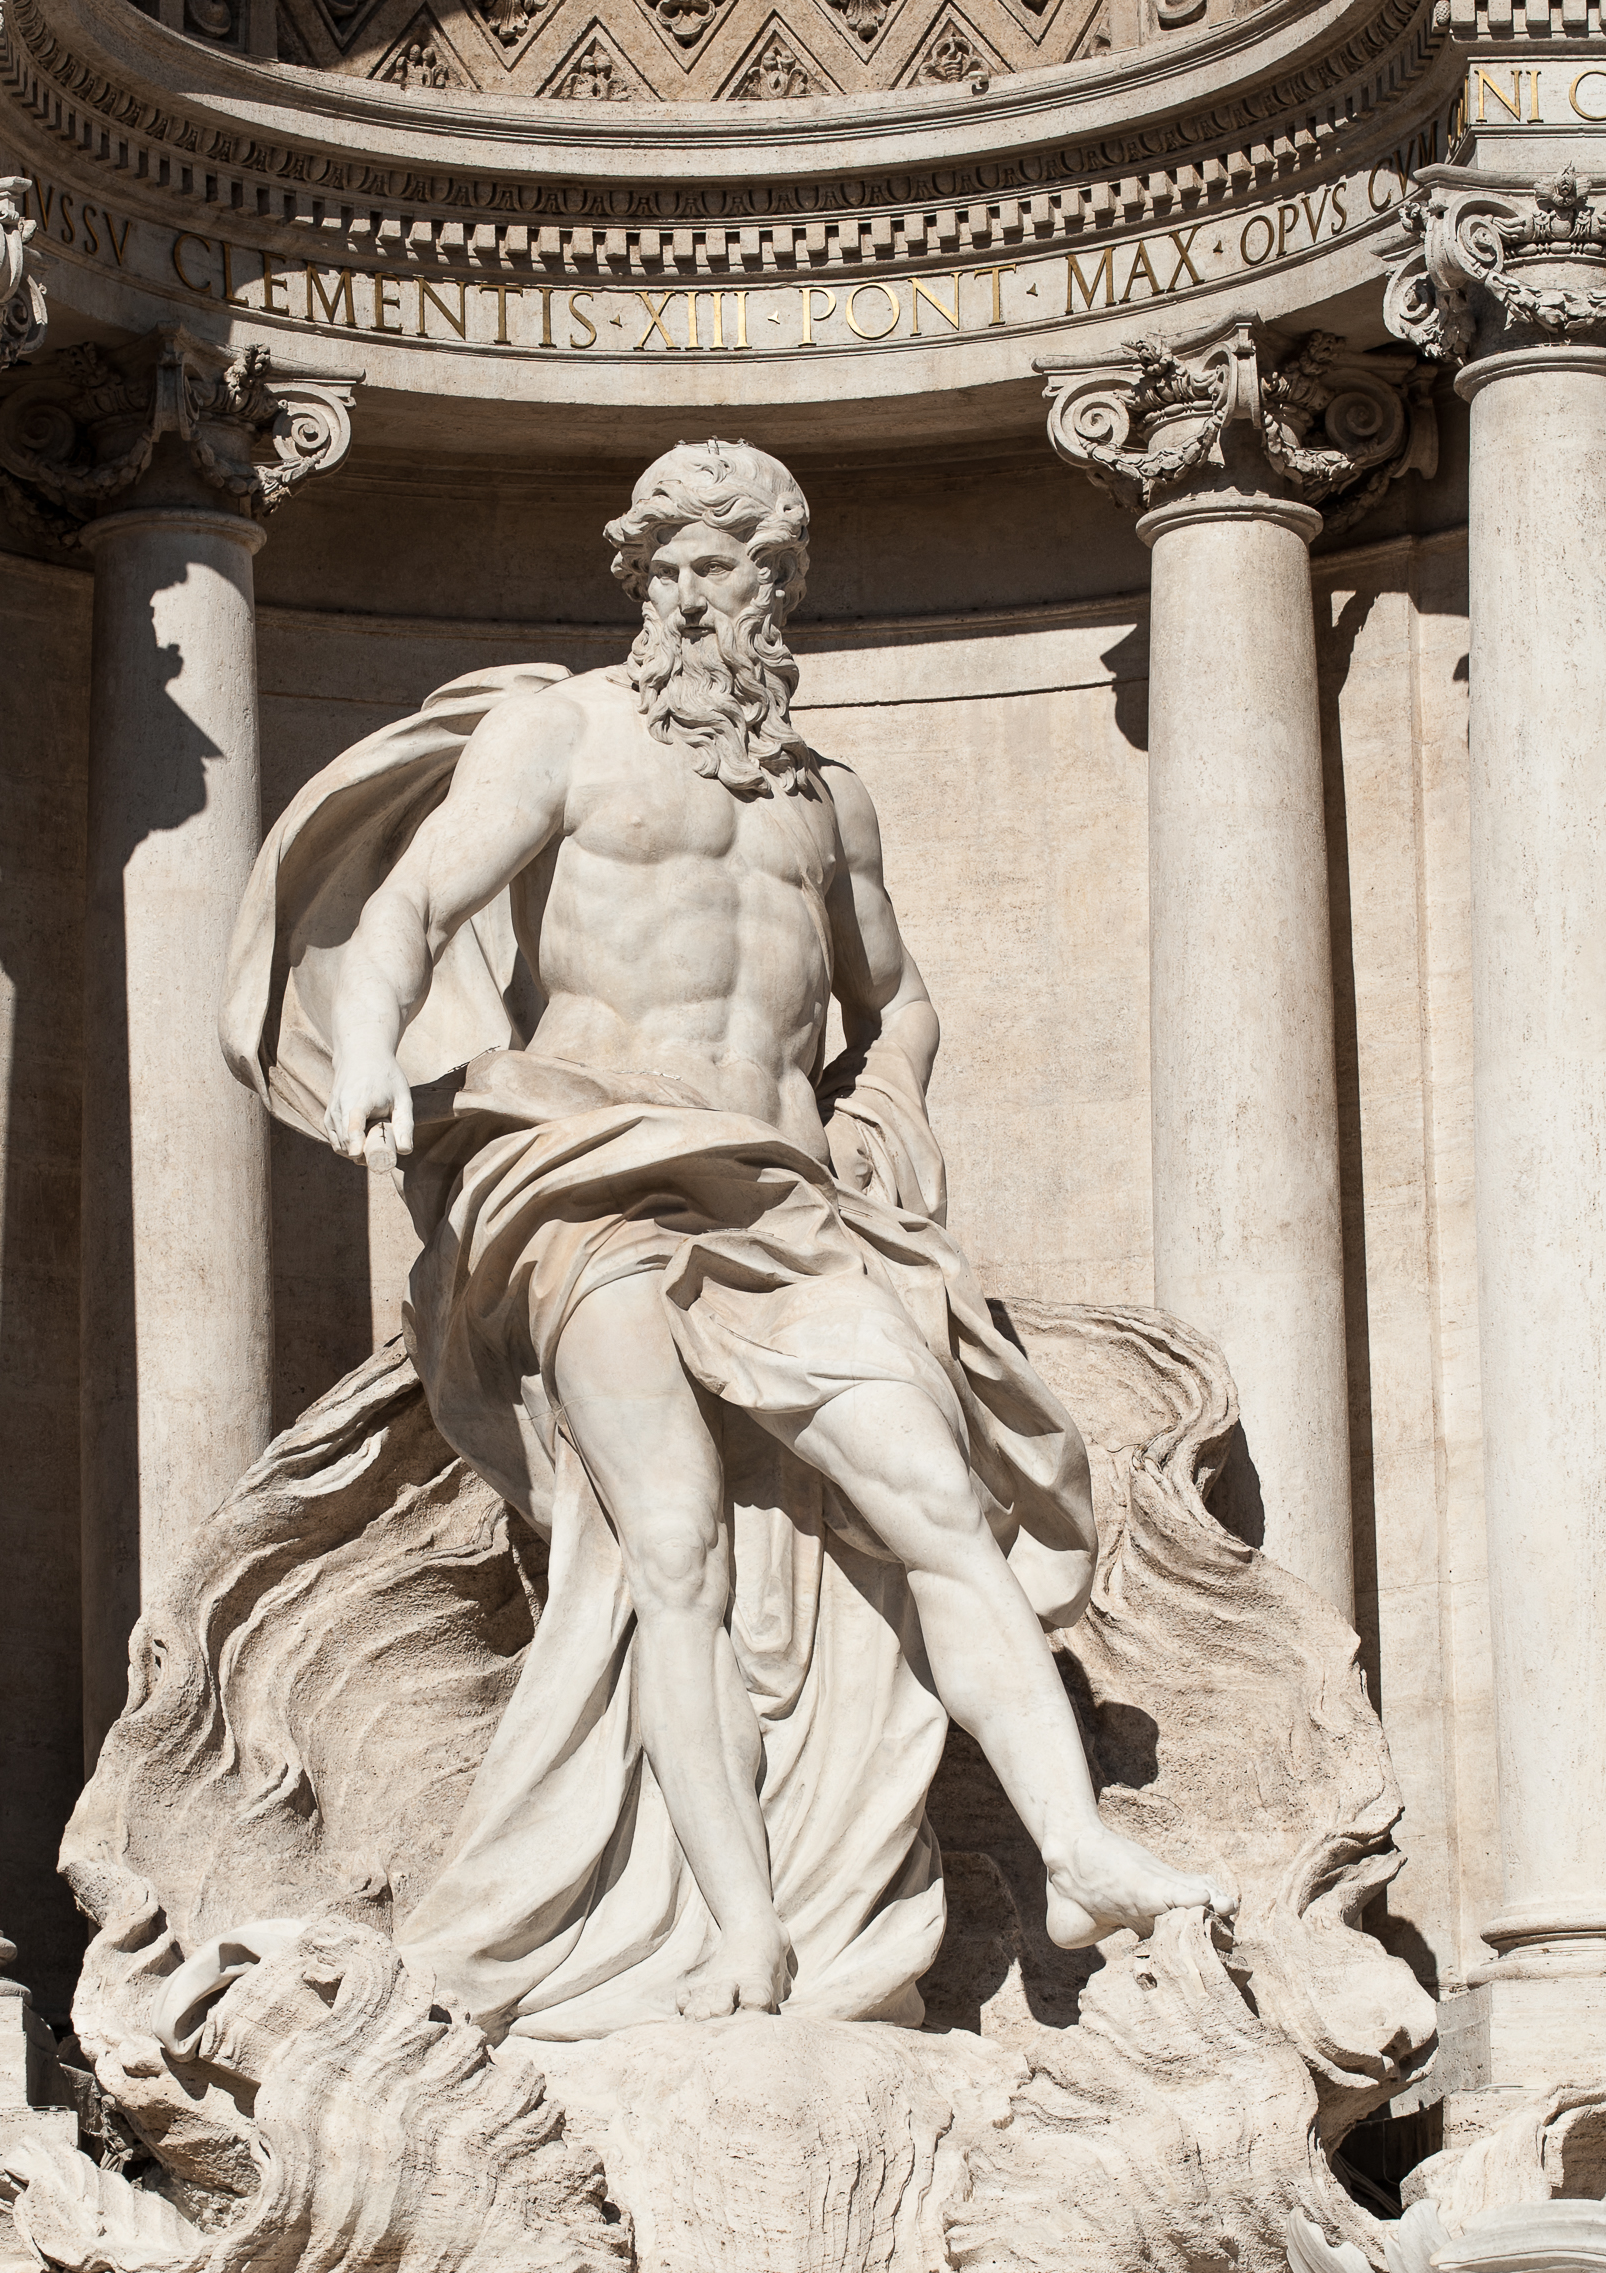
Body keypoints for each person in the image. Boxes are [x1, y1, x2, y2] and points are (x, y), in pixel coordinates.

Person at [224, 439, 1234, 2042]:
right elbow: (410, 910)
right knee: (671, 1552)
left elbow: (894, 999)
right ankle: (744, 1921)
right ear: (638, 582)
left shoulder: (829, 801)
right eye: (673, 565)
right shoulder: (565, 735)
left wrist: (886, 1107)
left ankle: (1079, 1849)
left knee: (941, 1506)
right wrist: (363, 1057)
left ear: (783, 589)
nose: (699, 597)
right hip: (586, 1178)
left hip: (780, 1201)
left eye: (732, 566)